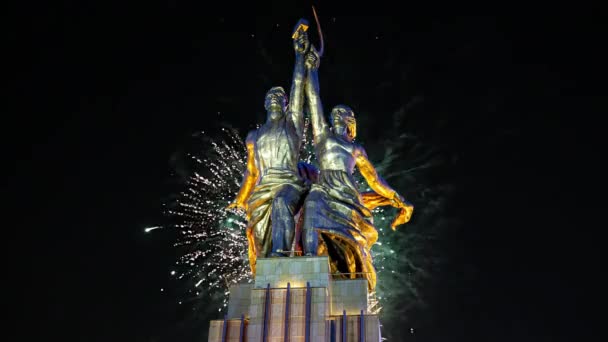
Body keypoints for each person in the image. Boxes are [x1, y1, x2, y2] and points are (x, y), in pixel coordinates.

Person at [301, 48, 414, 290]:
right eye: (335, 113)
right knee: (311, 204)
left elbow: (375, 179)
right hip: (324, 186)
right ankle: (310, 264)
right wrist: (312, 70)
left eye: (342, 113)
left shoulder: (357, 149)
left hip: (348, 194)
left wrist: (397, 197)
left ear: (350, 121)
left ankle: (349, 271)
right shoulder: (322, 136)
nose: (336, 115)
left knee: (350, 241)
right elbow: (314, 99)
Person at [226, 22, 310, 275]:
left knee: (282, 204)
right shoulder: (254, 136)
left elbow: (297, 87)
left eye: (280, 98)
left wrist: (299, 55)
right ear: (264, 103)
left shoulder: (292, 124)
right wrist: (239, 200)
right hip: (261, 189)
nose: (275, 98)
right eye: (270, 97)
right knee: (260, 237)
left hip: (289, 184)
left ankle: (282, 256)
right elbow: (251, 172)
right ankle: (268, 267)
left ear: (286, 104)